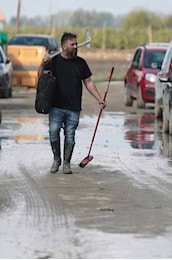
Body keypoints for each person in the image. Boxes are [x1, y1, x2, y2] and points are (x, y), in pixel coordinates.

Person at [38, 32, 106, 174]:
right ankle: (57, 159)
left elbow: (88, 82)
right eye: (73, 44)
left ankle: (67, 163)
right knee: (54, 132)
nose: (76, 46)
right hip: (56, 106)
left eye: (76, 44)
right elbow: (40, 77)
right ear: (63, 46)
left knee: (70, 135)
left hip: (74, 107)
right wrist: (42, 64)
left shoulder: (81, 63)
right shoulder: (54, 61)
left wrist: (99, 98)